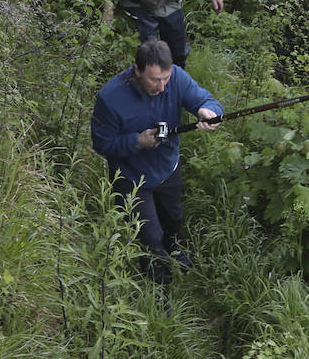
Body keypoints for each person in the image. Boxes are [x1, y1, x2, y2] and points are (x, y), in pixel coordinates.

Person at [91, 39, 221, 290]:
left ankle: (176, 253)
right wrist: (137, 141)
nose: (161, 87)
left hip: (168, 169)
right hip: (131, 178)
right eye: (154, 80)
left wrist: (207, 111)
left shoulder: (177, 78)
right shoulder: (110, 97)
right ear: (137, 71)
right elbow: (101, 144)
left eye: (165, 79)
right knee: (149, 236)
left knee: (173, 219)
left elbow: (204, 99)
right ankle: (159, 288)